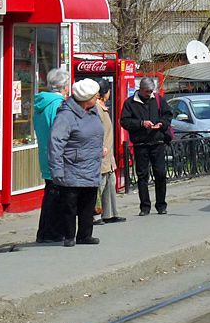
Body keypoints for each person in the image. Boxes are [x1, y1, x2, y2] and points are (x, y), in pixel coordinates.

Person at [48, 79, 104, 247]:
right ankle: (69, 236)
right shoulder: (65, 116)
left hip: (91, 166)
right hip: (72, 167)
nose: (98, 98)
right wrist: (57, 170)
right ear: (87, 98)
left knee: (88, 204)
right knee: (70, 205)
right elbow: (55, 143)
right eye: (96, 96)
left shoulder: (94, 111)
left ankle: (85, 235)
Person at [120, 77, 172, 216]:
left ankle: (161, 205)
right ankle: (144, 206)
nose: (149, 94)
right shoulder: (130, 103)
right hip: (140, 143)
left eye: (151, 91)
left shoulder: (159, 99)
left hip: (157, 142)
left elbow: (168, 115)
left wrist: (161, 123)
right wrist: (141, 123)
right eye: (147, 91)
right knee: (142, 176)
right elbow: (124, 121)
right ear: (141, 89)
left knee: (160, 173)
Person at [34, 66, 71, 243]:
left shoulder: (41, 105)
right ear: (64, 86)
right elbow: (61, 133)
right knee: (56, 196)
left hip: (45, 153)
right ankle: (51, 233)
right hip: (57, 157)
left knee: (50, 192)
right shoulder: (58, 106)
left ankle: (46, 232)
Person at [94, 79, 125, 225]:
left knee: (110, 183)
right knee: (100, 185)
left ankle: (110, 213)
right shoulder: (96, 109)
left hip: (108, 155)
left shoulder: (102, 108)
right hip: (101, 153)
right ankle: (96, 215)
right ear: (105, 93)